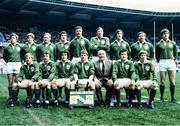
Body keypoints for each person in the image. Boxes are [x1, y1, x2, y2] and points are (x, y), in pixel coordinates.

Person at [156, 29, 177, 103]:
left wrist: (174, 59)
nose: (165, 35)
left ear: (169, 35)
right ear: (162, 35)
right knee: (162, 81)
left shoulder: (173, 43)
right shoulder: (158, 44)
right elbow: (157, 55)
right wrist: (160, 61)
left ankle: (173, 97)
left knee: (172, 81)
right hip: (162, 61)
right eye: (164, 34)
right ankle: (161, 97)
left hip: (171, 61)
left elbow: (175, 53)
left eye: (167, 33)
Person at [4, 33, 22, 107]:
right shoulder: (7, 47)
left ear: (16, 39)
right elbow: (5, 57)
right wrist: (8, 62)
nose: (12, 39)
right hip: (10, 64)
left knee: (17, 82)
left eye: (14, 38)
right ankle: (11, 97)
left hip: (17, 64)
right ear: (10, 39)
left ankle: (16, 96)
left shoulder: (20, 47)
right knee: (10, 82)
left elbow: (22, 55)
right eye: (11, 38)